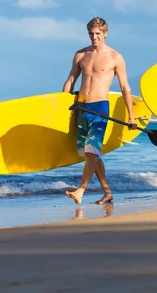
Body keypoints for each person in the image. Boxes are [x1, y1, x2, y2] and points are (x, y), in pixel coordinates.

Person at [62, 17, 136, 205]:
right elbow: (71, 80)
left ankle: (80, 190)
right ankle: (107, 192)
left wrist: (132, 116)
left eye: (97, 34)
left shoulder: (115, 57)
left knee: (92, 152)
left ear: (105, 33)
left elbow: (125, 88)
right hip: (80, 108)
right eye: (91, 34)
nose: (94, 37)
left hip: (100, 109)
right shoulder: (81, 55)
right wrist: (61, 105)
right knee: (90, 154)